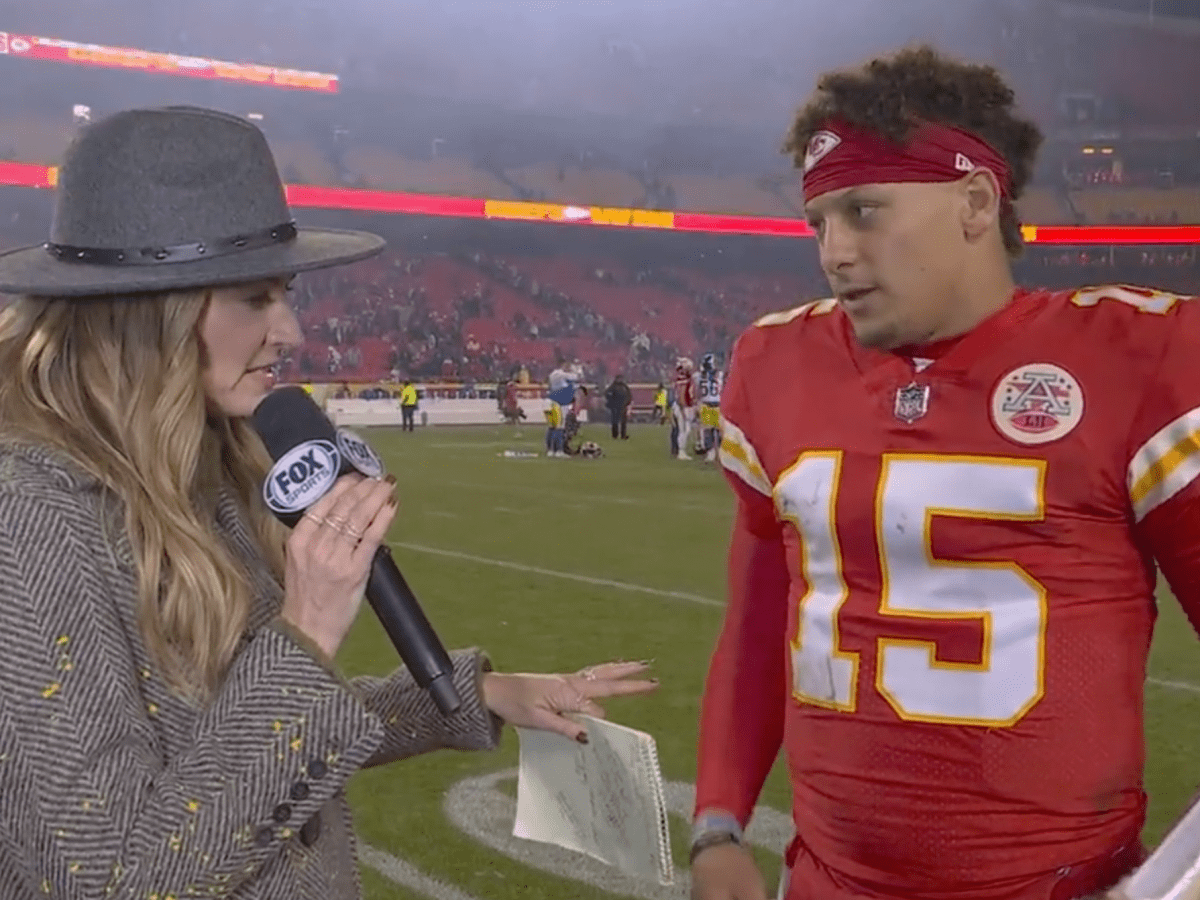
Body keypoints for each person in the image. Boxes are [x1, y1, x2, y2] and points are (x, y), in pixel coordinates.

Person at [0, 106, 657, 900]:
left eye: (285, 294)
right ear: (146, 311)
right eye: (254, 298)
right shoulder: (29, 513)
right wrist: (306, 627)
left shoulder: (204, 469)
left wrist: (477, 694)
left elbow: (249, 732)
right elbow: (108, 879)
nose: (291, 330)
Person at [691, 46, 1200, 900]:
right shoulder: (773, 363)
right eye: (819, 221)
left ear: (974, 202)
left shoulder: (1136, 359)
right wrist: (716, 825)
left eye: (863, 210)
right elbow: (755, 627)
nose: (833, 252)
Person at [695, 353, 723, 461]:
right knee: (719, 431)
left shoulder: (698, 376)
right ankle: (720, 453)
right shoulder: (719, 375)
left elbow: (697, 390)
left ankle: (710, 452)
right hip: (717, 403)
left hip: (705, 403)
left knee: (708, 431)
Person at [672, 357, 698, 460]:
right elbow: (681, 395)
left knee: (685, 429)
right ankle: (681, 452)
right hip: (683, 407)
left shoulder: (682, 377)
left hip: (683, 406)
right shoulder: (683, 378)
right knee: (685, 430)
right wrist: (683, 409)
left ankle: (681, 451)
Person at [604, 373, 633, 440]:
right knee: (615, 422)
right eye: (619, 378)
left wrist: (627, 402)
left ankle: (623, 435)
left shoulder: (624, 386)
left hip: (623, 406)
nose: (620, 380)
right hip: (615, 406)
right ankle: (615, 435)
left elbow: (629, 395)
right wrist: (612, 402)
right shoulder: (612, 386)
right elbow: (607, 394)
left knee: (623, 422)